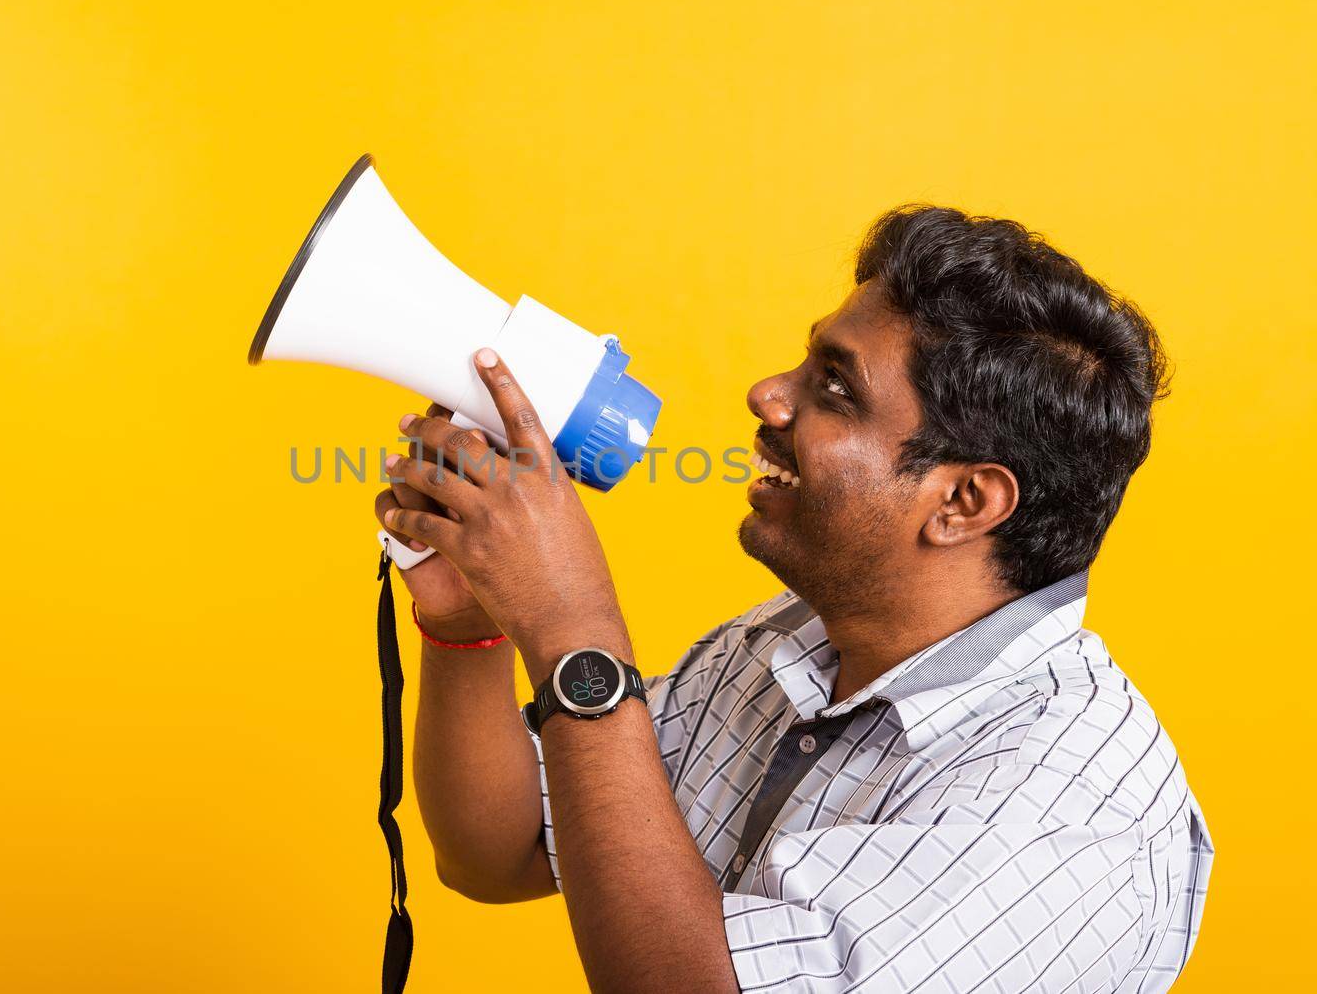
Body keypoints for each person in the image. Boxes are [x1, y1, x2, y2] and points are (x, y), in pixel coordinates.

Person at [375, 205, 1211, 993]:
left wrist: (573, 632)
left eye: (836, 388)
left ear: (964, 503)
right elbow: (501, 851)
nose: (768, 395)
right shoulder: (786, 649)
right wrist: (467, 627)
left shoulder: (1062, 814)